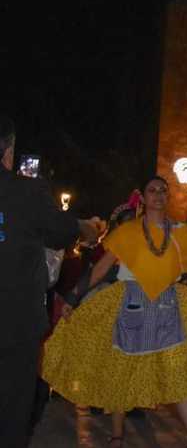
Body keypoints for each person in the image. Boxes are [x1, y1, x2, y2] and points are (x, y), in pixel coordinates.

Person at [41, 176, 187, 447]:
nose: (159, 195)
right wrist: (73, 296)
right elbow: (101, 269)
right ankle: (117, 435)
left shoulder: (179, 233)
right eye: (153, 191)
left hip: (168, 308)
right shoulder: (127, 232)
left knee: (178, 370)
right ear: (143, 197)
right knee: (123, 370)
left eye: (164, 191)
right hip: (132, 307)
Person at [0, 116, 103, 447]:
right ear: (9, 150)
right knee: (13, 407)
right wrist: (89, 227)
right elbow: (62, 229)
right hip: (14, 321)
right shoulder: (25, 190)